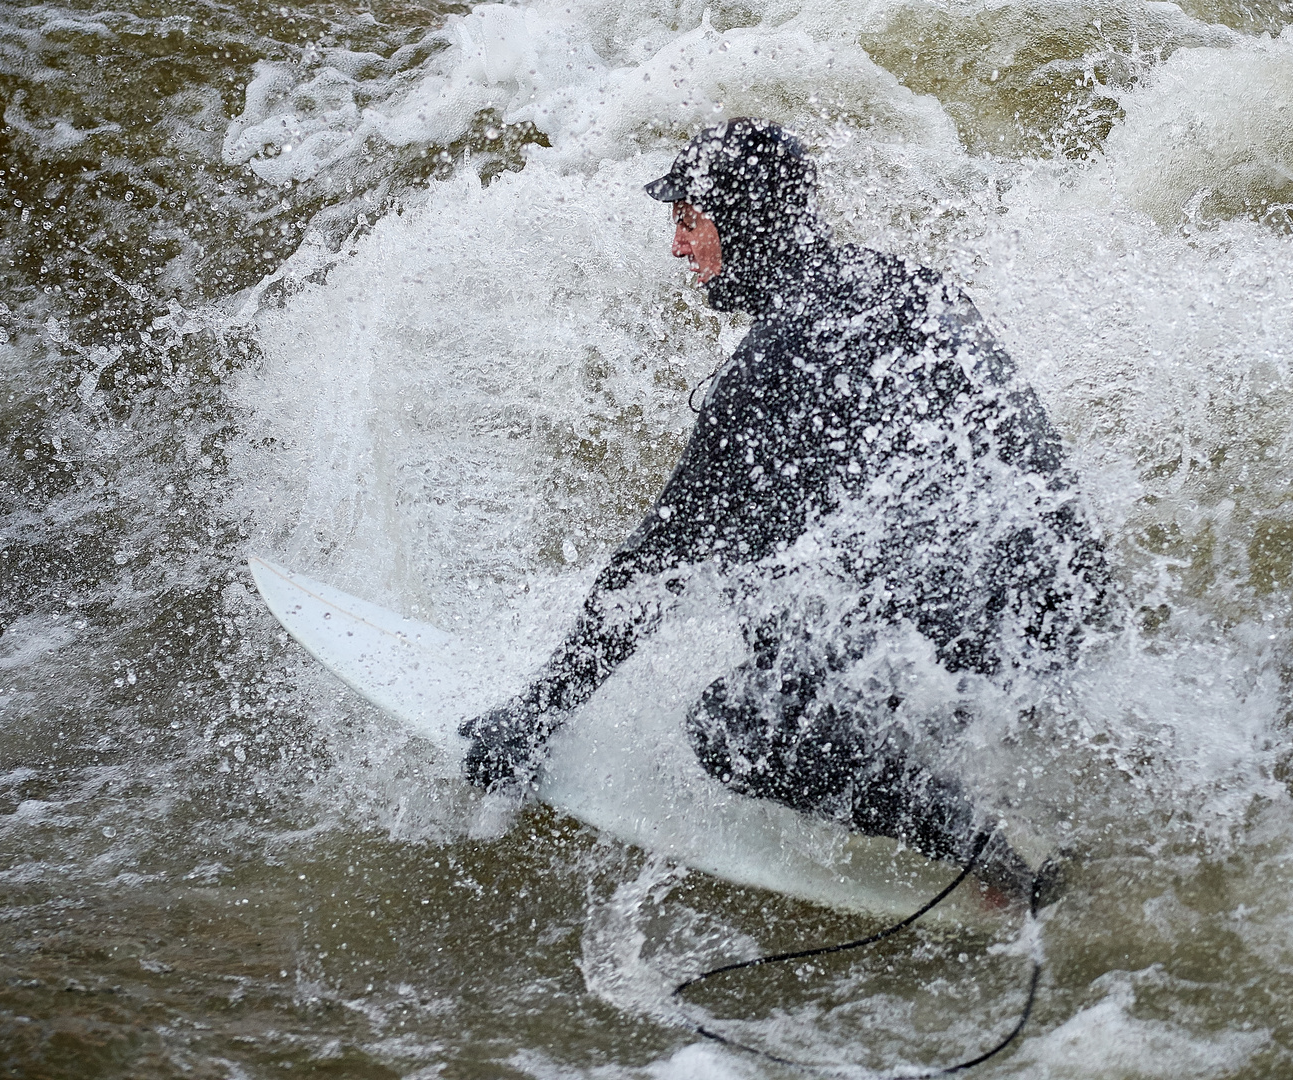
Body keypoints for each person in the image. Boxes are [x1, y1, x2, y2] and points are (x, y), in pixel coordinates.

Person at [462, 118, 1110, 901]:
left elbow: (658, 562)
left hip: (964, 638)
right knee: (784, 538)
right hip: (1065, 614)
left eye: (688, 222)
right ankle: (972, 770)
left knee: (734, 724)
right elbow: (1027, 464)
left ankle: (996, 864)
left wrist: (538, 713)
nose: (677, 248)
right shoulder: (914, 288)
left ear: (741, 221)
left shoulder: (772, 362)